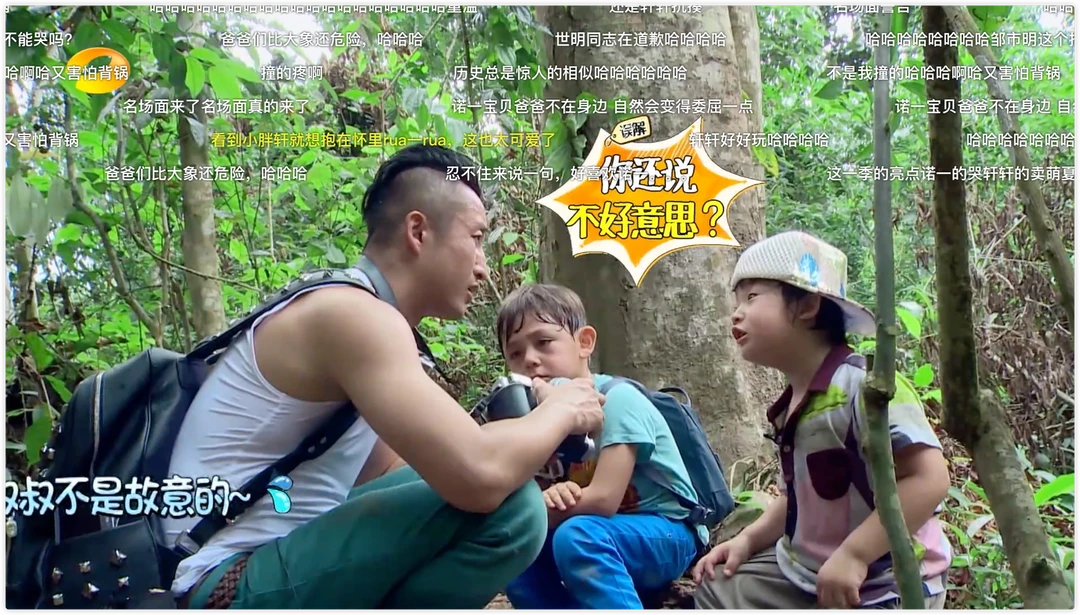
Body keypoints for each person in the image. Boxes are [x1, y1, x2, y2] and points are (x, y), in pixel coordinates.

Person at [162, 144, 606, 610]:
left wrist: (518, 440)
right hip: (223, 582)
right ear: (418, 231)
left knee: (488, 487)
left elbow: (403, 471)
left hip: (268, 567)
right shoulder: (354, 315)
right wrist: (559, 411)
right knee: (513, 507)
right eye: (475, 237)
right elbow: (480, 476)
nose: (482, 264)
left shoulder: (362, 317)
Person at [692, 230, 953, 610]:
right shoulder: (791, 405)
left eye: (752, 297)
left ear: (808, 306)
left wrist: (855, 555)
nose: (737, 312)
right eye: (737, 301)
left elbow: (930, 479)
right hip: (806, 572)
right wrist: (747, 540)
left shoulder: (867, 387)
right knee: (717, 590)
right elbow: (797, 497)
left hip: (887, 581)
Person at [495, 283, 707, 610]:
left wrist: (536, 508)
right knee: (512, 545)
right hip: (592, 531)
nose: (531, 360)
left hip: (667, 532)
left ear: (584, 342)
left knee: (577, 535)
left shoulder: (617, 401)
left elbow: (603, 500)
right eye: (516, 354)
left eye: (544, 342)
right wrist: (546, 498)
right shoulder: (533, 422)